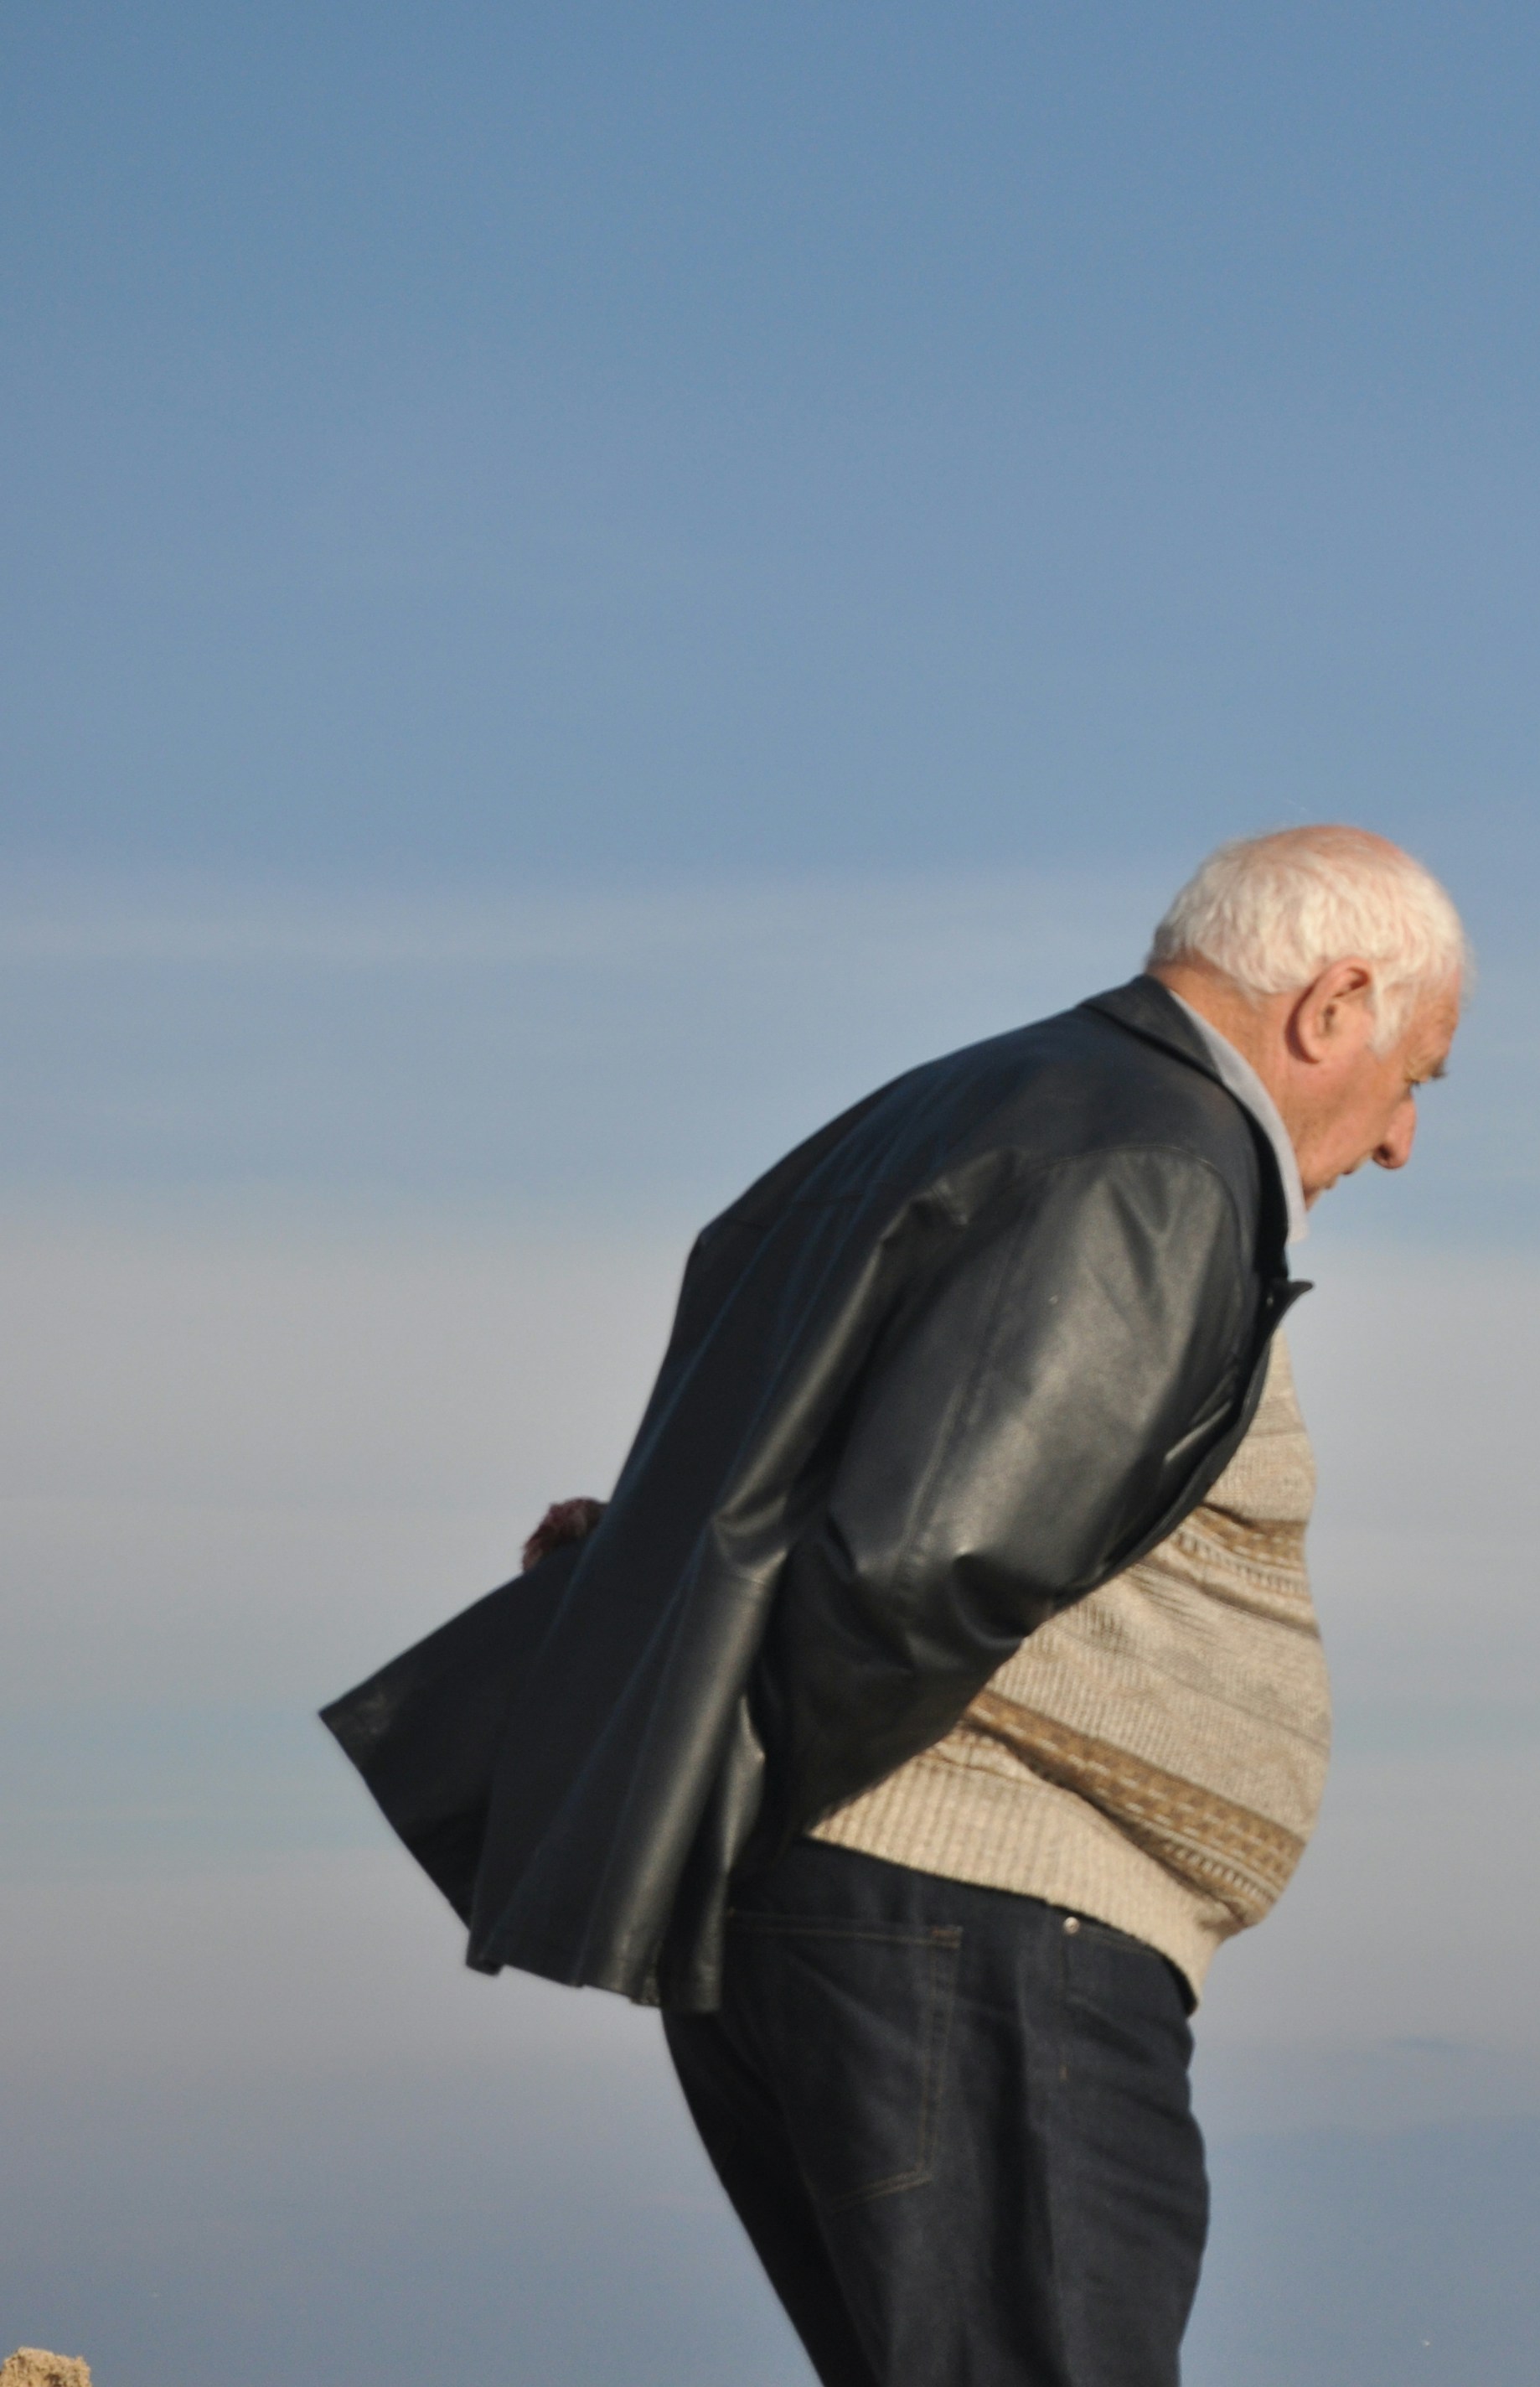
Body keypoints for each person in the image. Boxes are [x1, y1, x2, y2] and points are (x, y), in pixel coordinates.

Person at [323, 826, 1468, 2387]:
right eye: (1416, 1075)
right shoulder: (1163, 1159)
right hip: (973, 1921)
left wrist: (713, 1781)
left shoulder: (952, 1108)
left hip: (858, 1921)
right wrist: (774, 1802)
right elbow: (925, 1562)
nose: (1401, 1139)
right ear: (1332, 1007)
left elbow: (795, 1474)